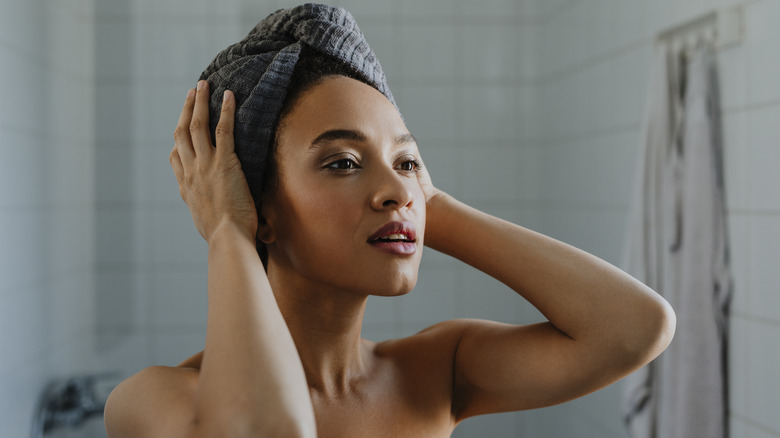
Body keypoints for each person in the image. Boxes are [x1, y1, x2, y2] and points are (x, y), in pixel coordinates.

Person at [104, 4, 675, 438]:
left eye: (406, 161)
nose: (396, 190)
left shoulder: (433, 372)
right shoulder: (158, 401)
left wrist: (432, 206)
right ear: (262, 210)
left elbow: (635, 327)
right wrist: (228, 229)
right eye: (343, 162)